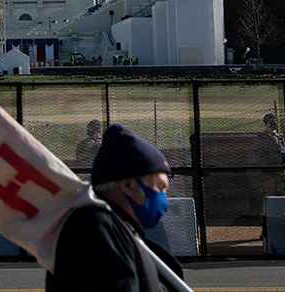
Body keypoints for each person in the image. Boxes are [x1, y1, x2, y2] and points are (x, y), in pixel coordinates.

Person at [47, 124, 183, 292]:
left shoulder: (119, 231)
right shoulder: (95, 231)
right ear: (128, 185)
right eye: (160, 188)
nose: (164, 198)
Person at [262, 112, 285, 192]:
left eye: (275, 122)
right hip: (274, 167)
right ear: (267, 123)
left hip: (284, 165)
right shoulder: (263, 138)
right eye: (272, 122)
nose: (274, 124)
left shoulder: (281, 137)